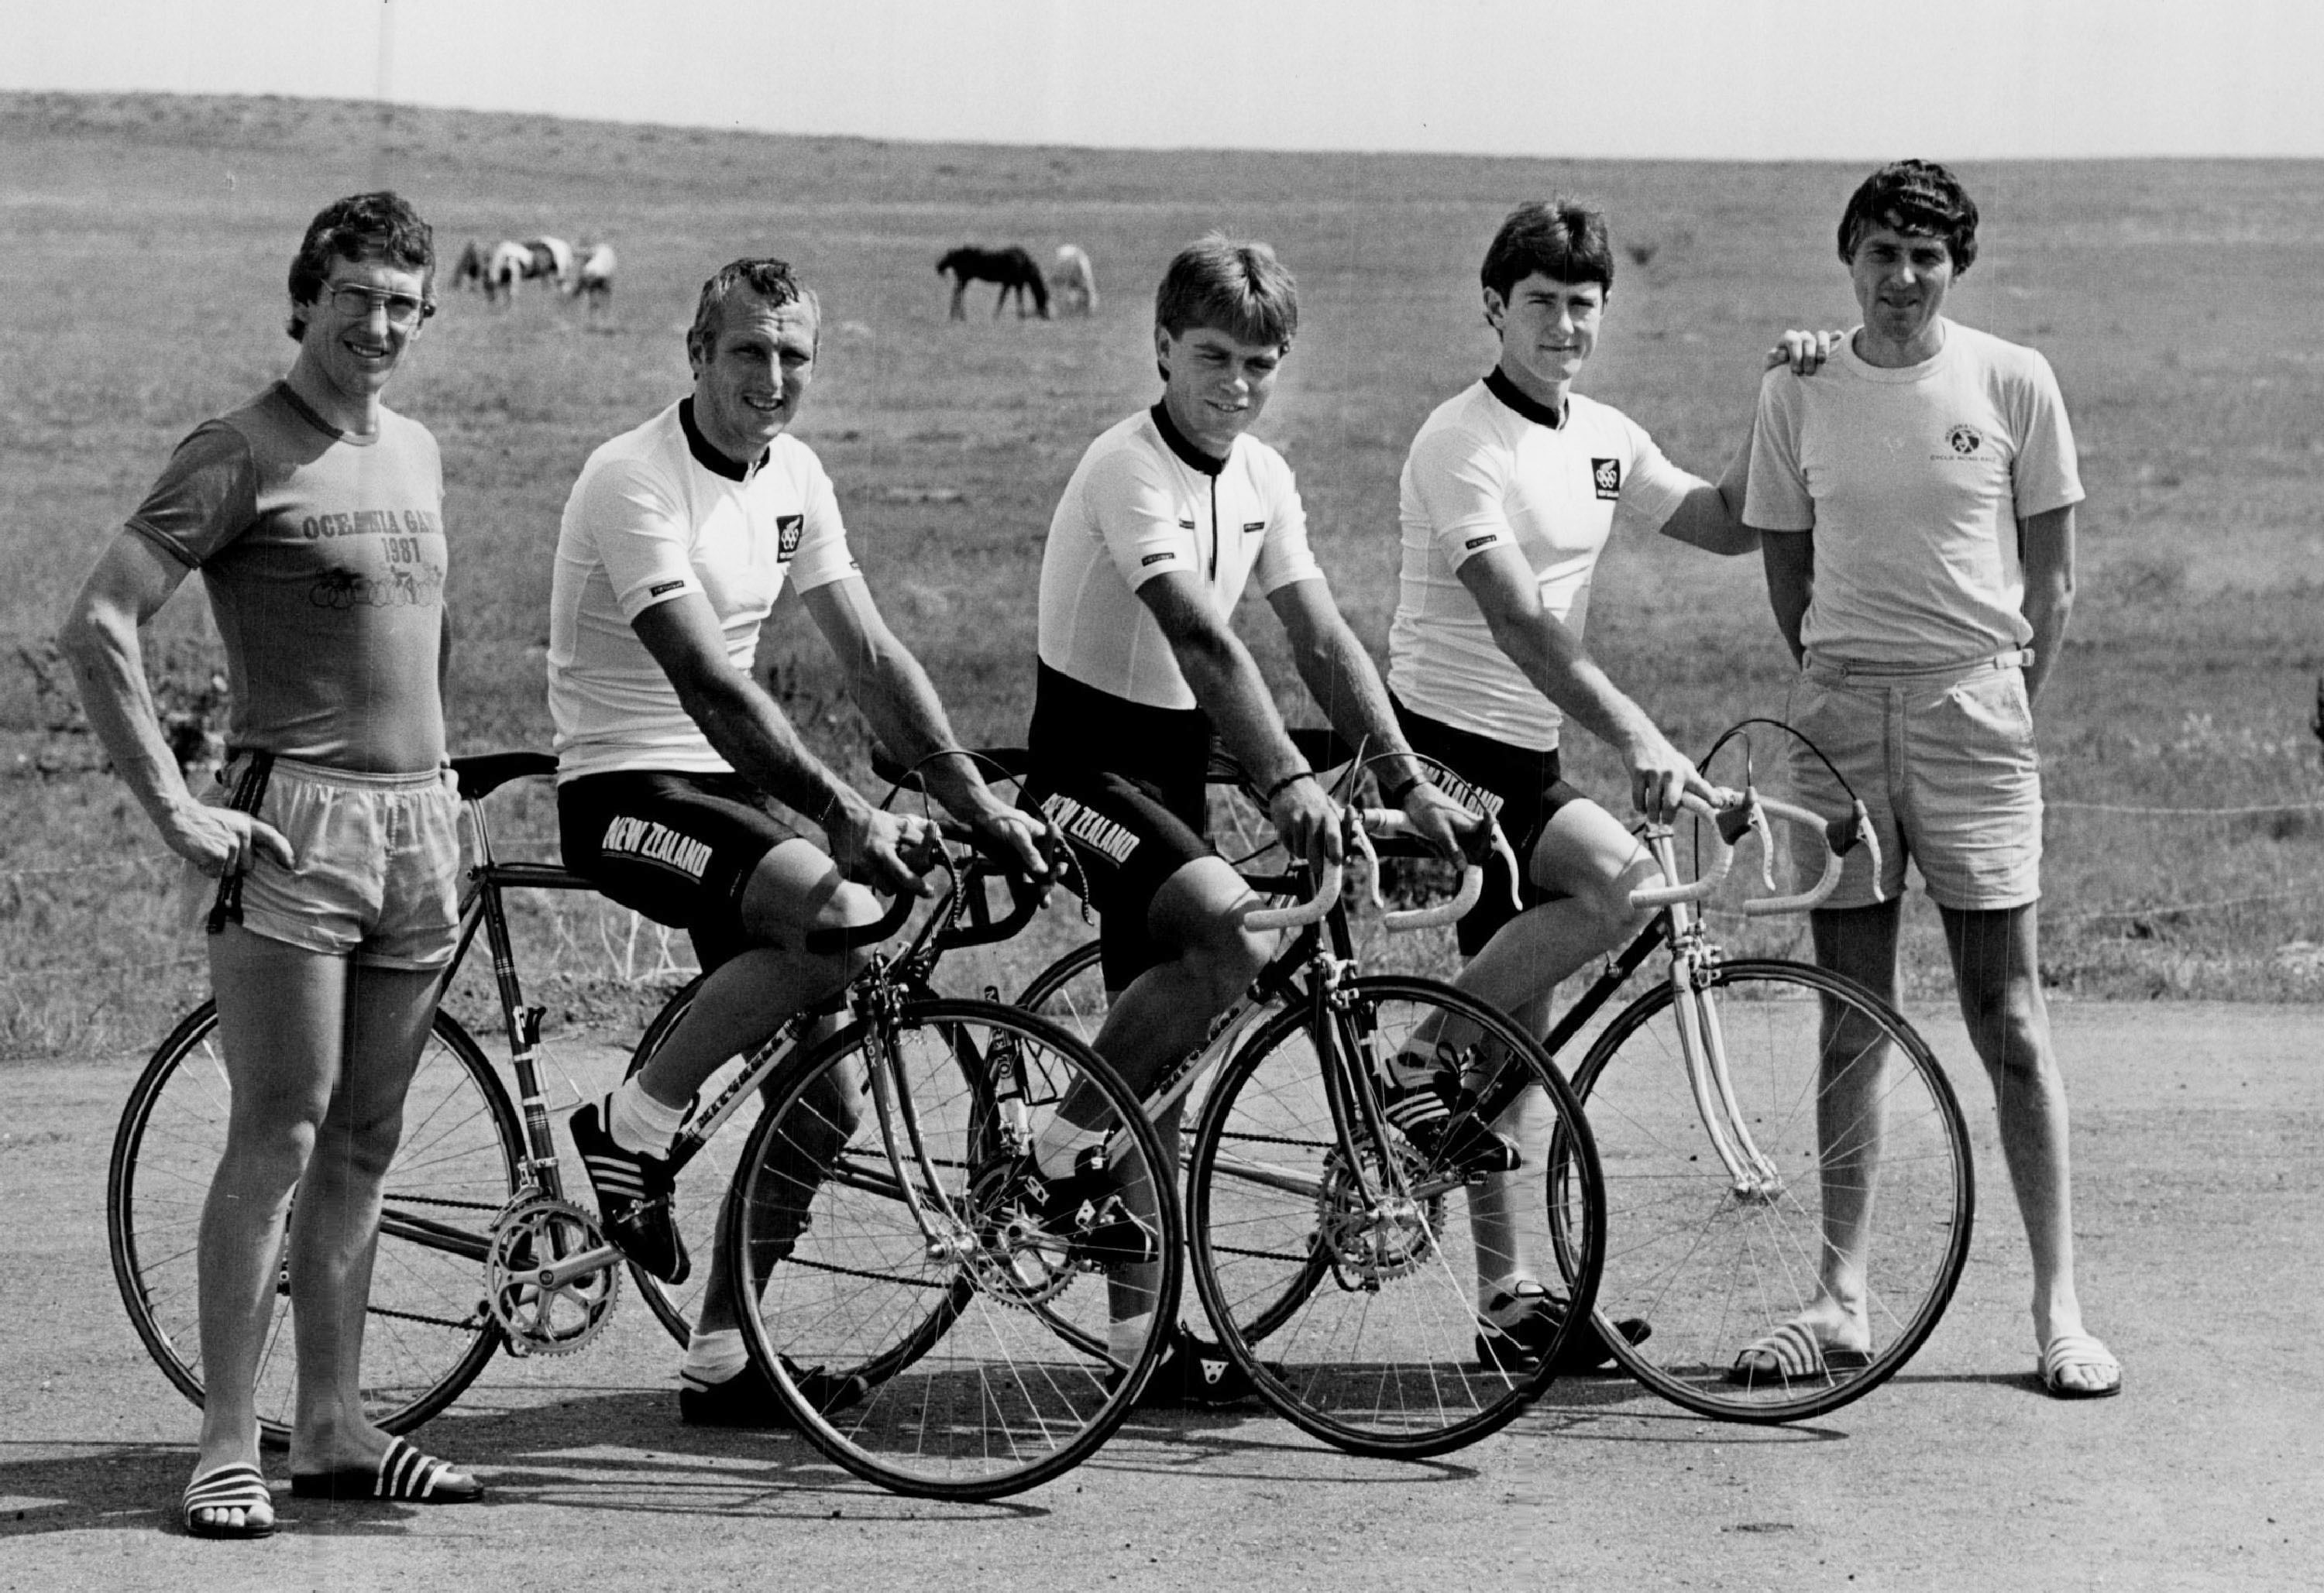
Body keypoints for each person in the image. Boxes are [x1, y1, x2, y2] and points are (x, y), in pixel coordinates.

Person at [550, 256, 1047, 1427]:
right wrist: (846, 813)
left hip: (723, 793)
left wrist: (971, 796)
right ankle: (630, 1126)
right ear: (695, 352)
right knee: (841, 919)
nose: (771, 379)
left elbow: (869, 655)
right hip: (625, 782)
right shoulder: (633, 478)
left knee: (821, 1102)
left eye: (793, 357)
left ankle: (727, 1355)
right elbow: (711, 685)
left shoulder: (797, 475)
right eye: (747, 353)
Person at [58, 192, 480, 1537]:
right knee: (281, 1131)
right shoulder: (238, 449)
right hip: (295, 828)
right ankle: (229, 1439)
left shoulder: (413, 448)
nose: (377, 324)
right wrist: (178, 808)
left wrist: (448, 781)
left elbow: (429, 635)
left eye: (402, 303)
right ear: (307, 297)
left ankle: (341, 1425)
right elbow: (100, 621)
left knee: (368, 1134)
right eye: (354, 295)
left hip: (420, 827)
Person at [1026, 235, 1480, 1403]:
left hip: (1173, 765)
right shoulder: (1127, 467)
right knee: (1228, 937)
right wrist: (1288, 785)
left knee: (1167, 1042)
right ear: (1162, 349)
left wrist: (1405, 780)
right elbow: (1204, 638)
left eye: (1261, 364)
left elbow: (1321, 639)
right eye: (1214, 357)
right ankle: (1057, 1140)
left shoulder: (1263, 476)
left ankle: (1140, 1344)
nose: (1236, 384)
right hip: (1085, 763)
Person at [1387, 197, 1805, 1375]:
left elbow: (1726, 523)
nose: (1566, 325)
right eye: (1542, 304)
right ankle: (1416, 1057)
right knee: (1621, 890)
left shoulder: (1603, 437)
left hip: (1524, 754)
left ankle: (1510, 1299)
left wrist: (1786, 395)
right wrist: (1640, 737)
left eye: (1584, 305)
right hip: (1437, 742)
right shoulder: (1458, 441)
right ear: (1493, 308)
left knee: (1525, 1032)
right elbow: (1517, 617)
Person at [1748, 160, 2117, 1399]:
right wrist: (1839, 681)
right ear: (1848, 256)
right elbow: (1786, 568)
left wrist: (1996, 698)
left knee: (2008, 1017)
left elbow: (2052, 579)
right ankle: (1840, 1296)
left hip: (1976, 709)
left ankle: (2059, 1310)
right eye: (1882, 252)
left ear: (1955, 266)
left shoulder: (2015, 379)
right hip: (1839, 712)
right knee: (1847, 1011)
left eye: (1927, 256)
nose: (1903, 277)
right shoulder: (1798, 383)